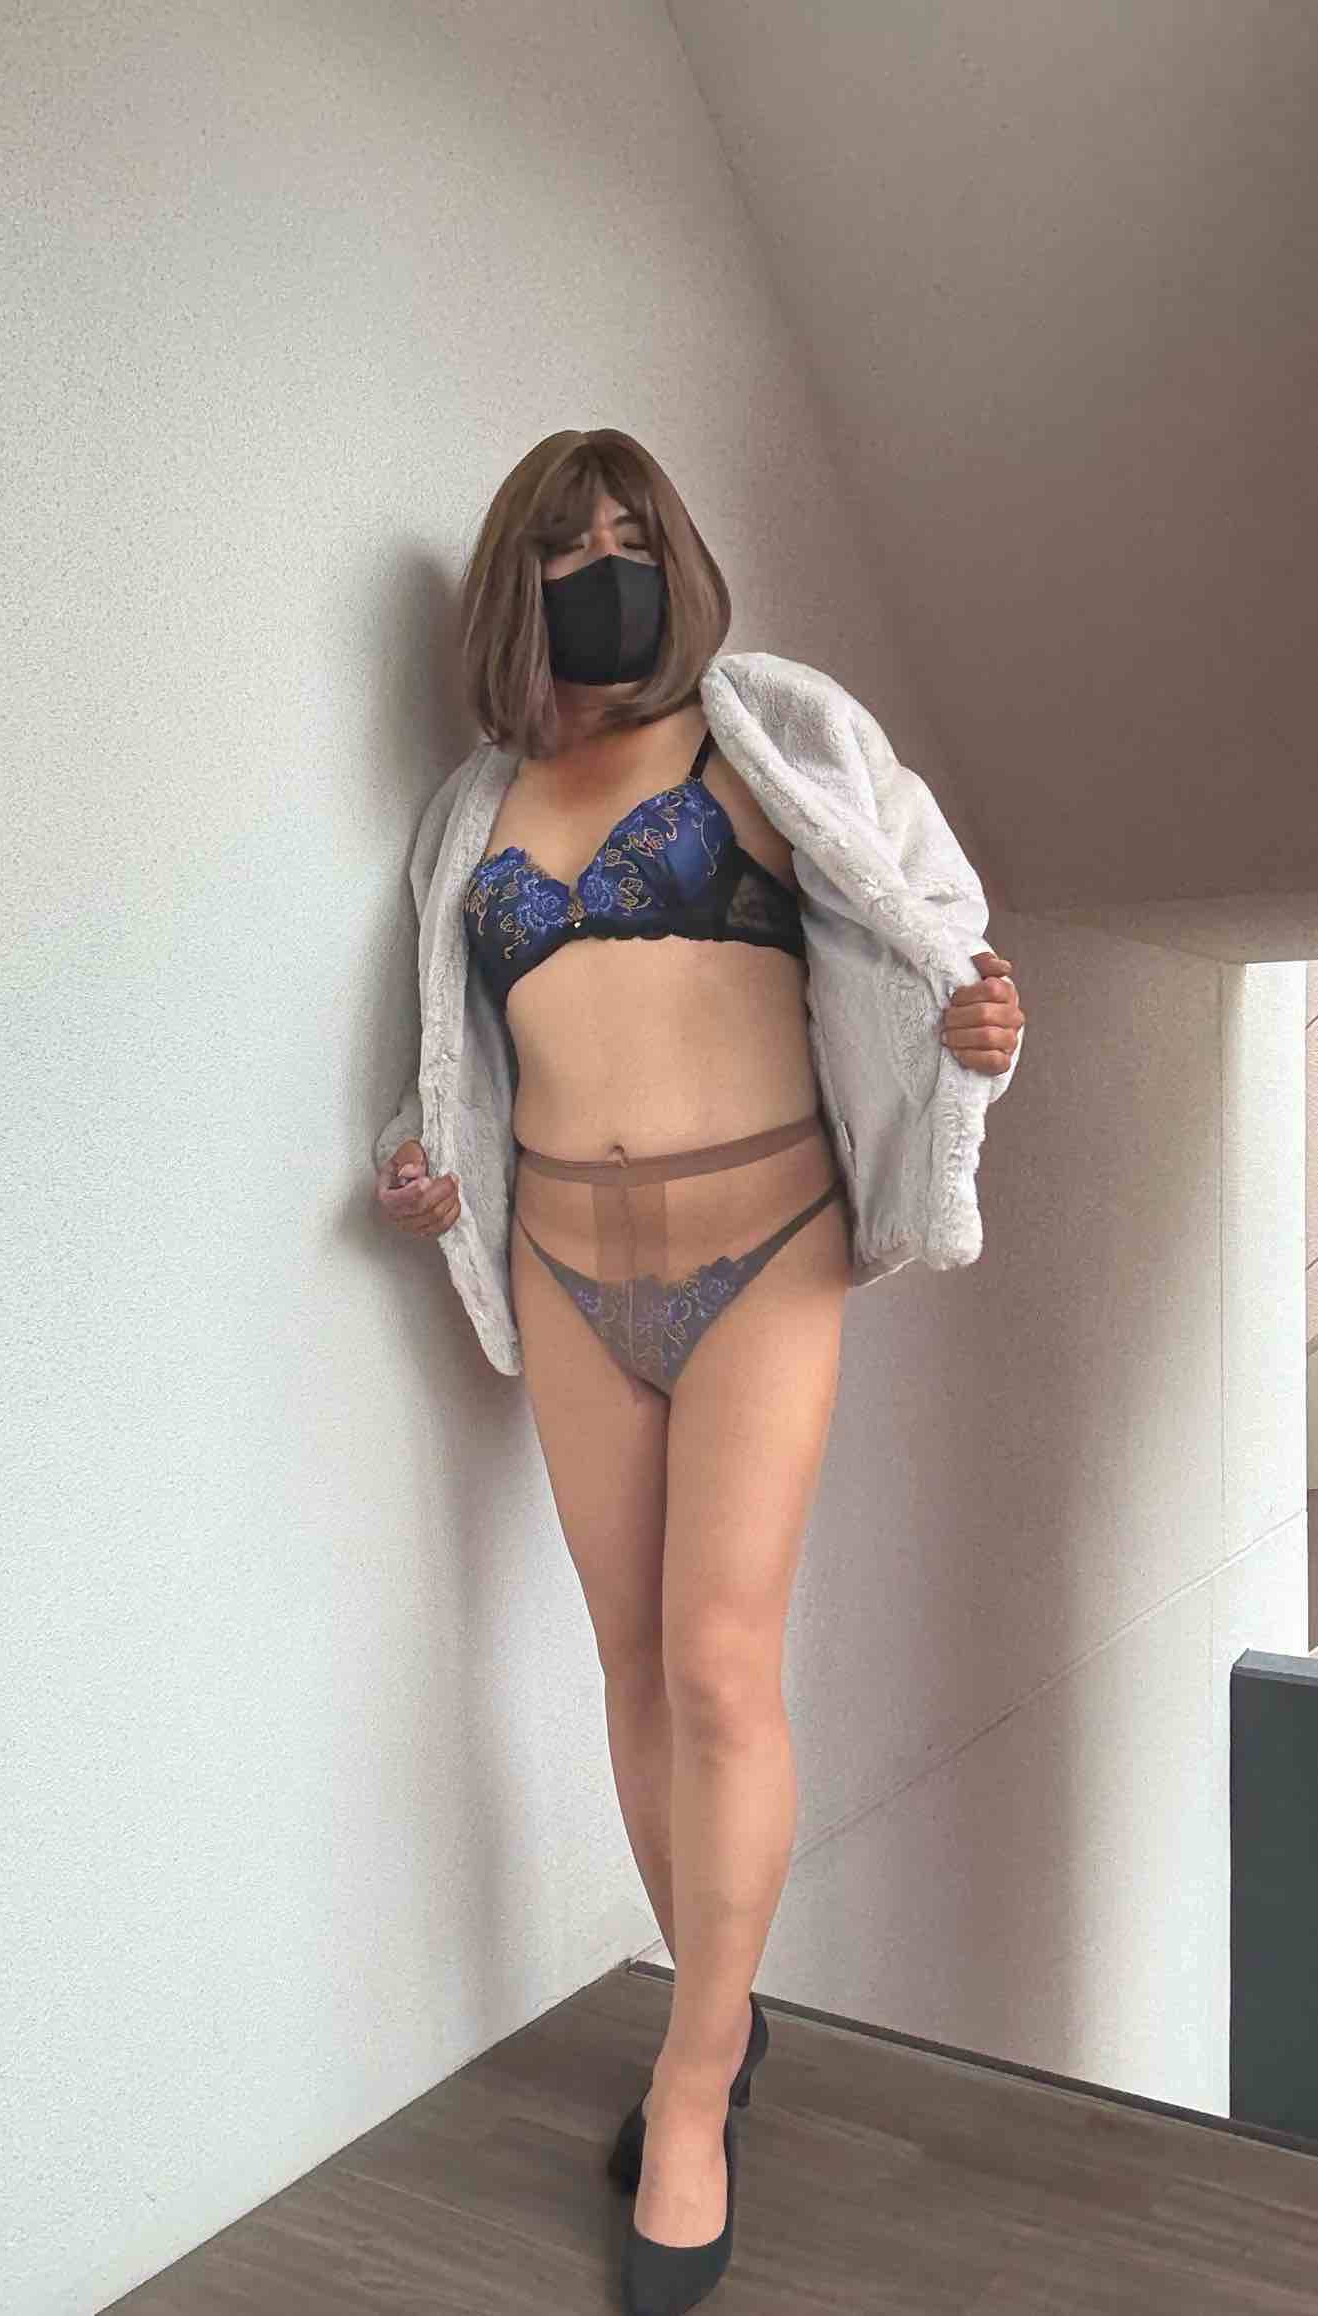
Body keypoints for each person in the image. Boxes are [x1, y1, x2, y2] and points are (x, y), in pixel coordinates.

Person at [372, 430, 1024, 2316]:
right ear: (516, 583)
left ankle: (685, 2088)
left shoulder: (768, 733)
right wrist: (420, 1169)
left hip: (764, 1251)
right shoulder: (468, 807)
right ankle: (722, 2019)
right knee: (633, 1669)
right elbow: (453, 1059)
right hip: (565, 1265)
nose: (605, 565)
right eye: (567, 544)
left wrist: (976, 1020)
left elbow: (927, 921)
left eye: (629, 534)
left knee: (723, 1664)